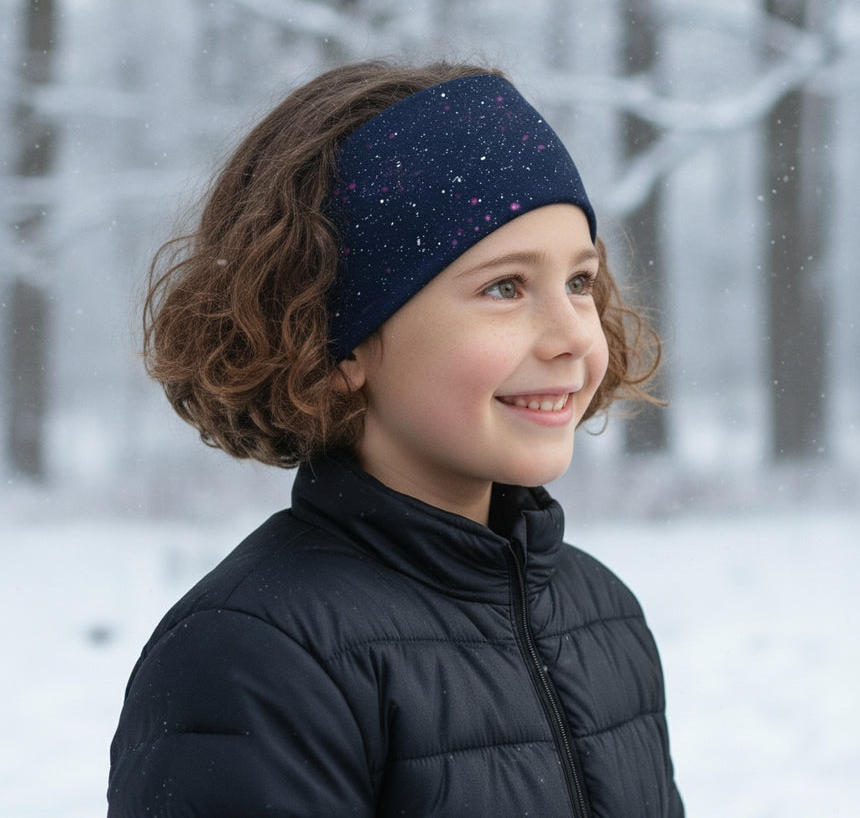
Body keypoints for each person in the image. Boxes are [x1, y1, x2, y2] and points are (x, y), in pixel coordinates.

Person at [108, 60, 684, 817]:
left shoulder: (601, 614)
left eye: (579, 281)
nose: (575, 334)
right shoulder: (252, 655)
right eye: (504, 287)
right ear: (338, 339)